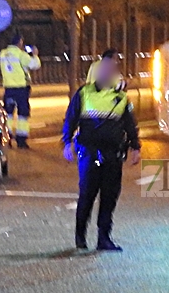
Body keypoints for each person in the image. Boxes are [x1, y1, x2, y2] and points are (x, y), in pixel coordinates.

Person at [62, 49, 141, 251]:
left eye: (111, 68)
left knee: (109, 197)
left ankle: (103, 239)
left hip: (113, 154)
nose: (107, 72)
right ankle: (80, 238)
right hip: (89, 152)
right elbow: (70, 119)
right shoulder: (84, 93)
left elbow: (129, 124)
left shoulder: (121, 98)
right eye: (104, 68)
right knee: (87, 195)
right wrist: (66, 142)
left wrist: (135, 147)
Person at [0, 34, 41, 148]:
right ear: (20, 42)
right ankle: (21, 140)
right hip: (21, 89)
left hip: (8, 88)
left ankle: (6, 138)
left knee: (8, 114)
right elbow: (34, 65)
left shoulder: (2, 53)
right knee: (23, 115)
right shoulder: (21, 55)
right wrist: (35, 55)